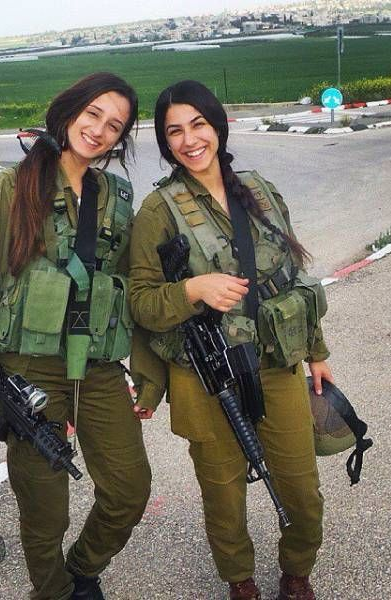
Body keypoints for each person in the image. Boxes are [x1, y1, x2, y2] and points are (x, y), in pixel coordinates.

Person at [0, 72, 152, 600]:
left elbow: (132, 288)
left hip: (97, 369)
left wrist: (146, 372)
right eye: (93, 114)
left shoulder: (116, 197)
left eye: (115, 126)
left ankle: (82, 568)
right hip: (30, 371)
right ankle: (53, 590)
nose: (99, 131)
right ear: (69, 111)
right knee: (45, 511)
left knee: (129, 490)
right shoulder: (15, 185)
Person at [129, 80, 333, 600]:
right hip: (205, 374)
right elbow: (141, 302)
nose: (189, 140)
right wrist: (193, 289)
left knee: (301, 488)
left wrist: (317, 351)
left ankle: (296, 572)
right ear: (165, 142)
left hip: (274, 359)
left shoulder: (259, 190)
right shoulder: (158, 211)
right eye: (174, 131)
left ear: (217, 125)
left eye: (198, 124)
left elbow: (291, 276)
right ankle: (240, 581)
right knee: (223, 495)